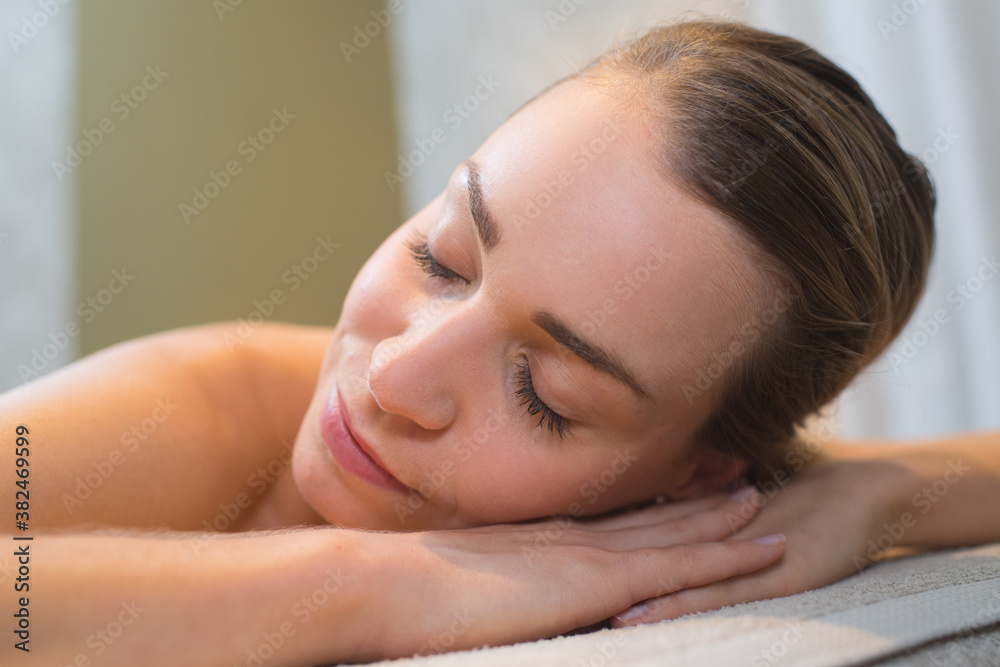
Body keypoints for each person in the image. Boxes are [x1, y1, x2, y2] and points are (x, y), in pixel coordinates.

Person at [3, 18, 999, 666]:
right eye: (441, 255)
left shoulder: (692, 515)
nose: (394, 376)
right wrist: (361, 583)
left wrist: (875, 494)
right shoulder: (206, 404)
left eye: (545, 395)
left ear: (697, 475)